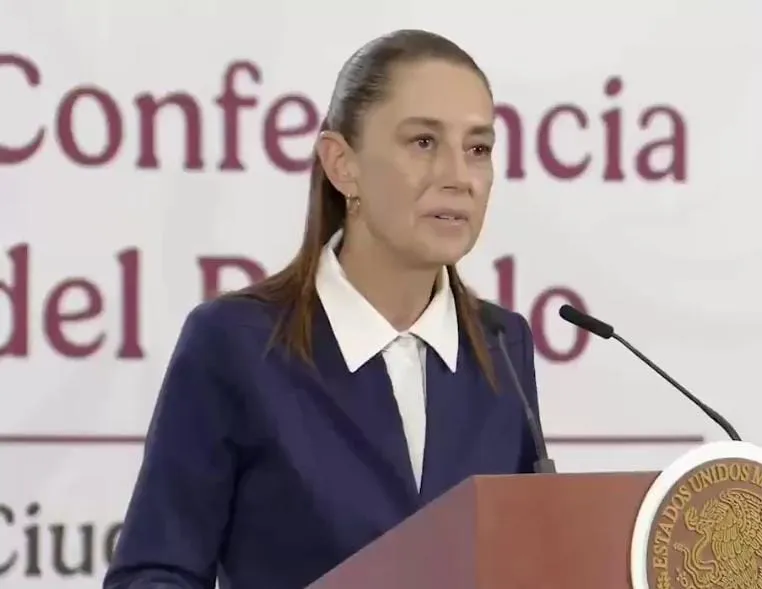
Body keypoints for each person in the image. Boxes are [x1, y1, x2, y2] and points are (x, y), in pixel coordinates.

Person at [104, 29, 546, 589]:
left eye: (478, 148)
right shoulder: (235, 343)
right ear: (342, 164)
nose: (459, 177)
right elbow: (154, 576)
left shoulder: (503, 345)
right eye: (423, 142)